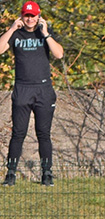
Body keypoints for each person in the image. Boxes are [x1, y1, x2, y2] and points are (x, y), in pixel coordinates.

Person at [0, 1, 63, 187]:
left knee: (43, 133)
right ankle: (10, 174)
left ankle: (47, 174)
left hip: (43, 89)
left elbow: (59, 54)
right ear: (22, 16)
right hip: (22, 88)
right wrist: (12, 28)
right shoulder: (16, 33)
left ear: (38, 16)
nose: (29, 19)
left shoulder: (45, 32)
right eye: (26, 15)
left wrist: (46, 34)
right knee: (18, 133)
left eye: (33, 16)